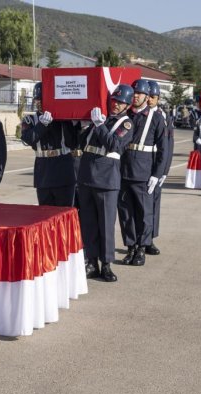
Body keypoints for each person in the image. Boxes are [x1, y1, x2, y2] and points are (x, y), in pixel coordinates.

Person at [78, 84, 135, 282]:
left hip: (106, 179)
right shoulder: (99, 118)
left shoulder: (126, 124)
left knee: (106, 225)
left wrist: (99, 125)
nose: (116, 105)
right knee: (88, 223)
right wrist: (86, 126)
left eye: (120, 102)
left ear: (127, 105)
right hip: (87, 175)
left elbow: (114, 145)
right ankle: (91, 262)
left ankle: (107, 264)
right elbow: (80, 142)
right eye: (114, 101)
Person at [118, 79, 165, 267]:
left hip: (144, 171)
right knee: (126, 212)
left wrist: (157, 174)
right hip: (123, 170)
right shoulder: (125, 115)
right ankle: (130, 246)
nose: (135, 96)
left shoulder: (156, 118)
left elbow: (163, 148)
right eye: (134, 93)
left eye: (139, 93)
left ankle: (141, 248)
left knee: (144, 213)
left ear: (147, 96)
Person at [20, 82, 80, 206]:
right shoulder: (30, 120)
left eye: (42, 99)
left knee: (64, 213)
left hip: (63, 167)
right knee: (45, 214)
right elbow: (29, 139)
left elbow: (73, 142)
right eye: (37, 100)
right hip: (43, 170)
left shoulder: (62, 119)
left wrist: (68, 120)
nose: (39, 103)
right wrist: (42, 125)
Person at [146, 80, 172, 256]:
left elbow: (168, 145)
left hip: (156, 160)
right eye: (148, 96)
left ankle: (150, 239)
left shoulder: (162, 116)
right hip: (141, 161)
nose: (149, 100)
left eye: (153, 97)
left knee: (153, 202)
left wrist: (164, 170)